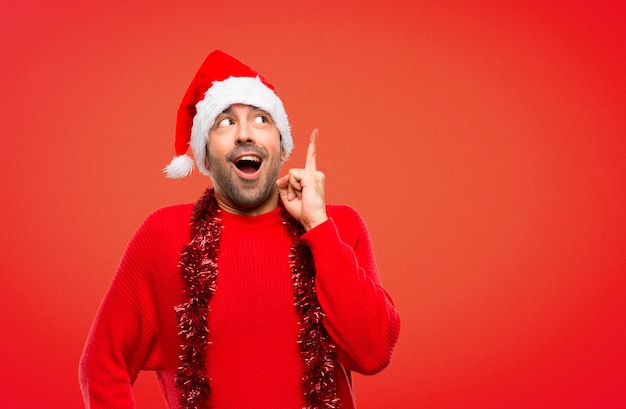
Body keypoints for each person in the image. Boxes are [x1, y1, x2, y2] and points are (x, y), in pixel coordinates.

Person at [79, 50, 400, 409]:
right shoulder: (163, 235)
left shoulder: (338, 227)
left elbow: (372, 353)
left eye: (261, 119)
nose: (245, 134)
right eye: (225, 122)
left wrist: (318, 227)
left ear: (281, 148)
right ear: (205, 153)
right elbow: (101, 364)